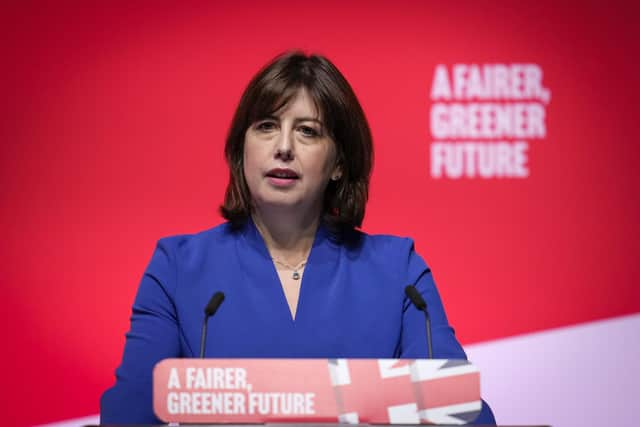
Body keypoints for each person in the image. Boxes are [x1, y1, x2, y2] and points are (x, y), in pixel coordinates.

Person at [100, 51, 496, 424]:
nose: (284, 148)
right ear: (242, 150)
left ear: (339, 163)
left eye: (307, 131)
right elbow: (127, 415)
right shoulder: (179, 267)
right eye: (267, 127)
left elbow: (462, 412)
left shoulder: (398, 271)